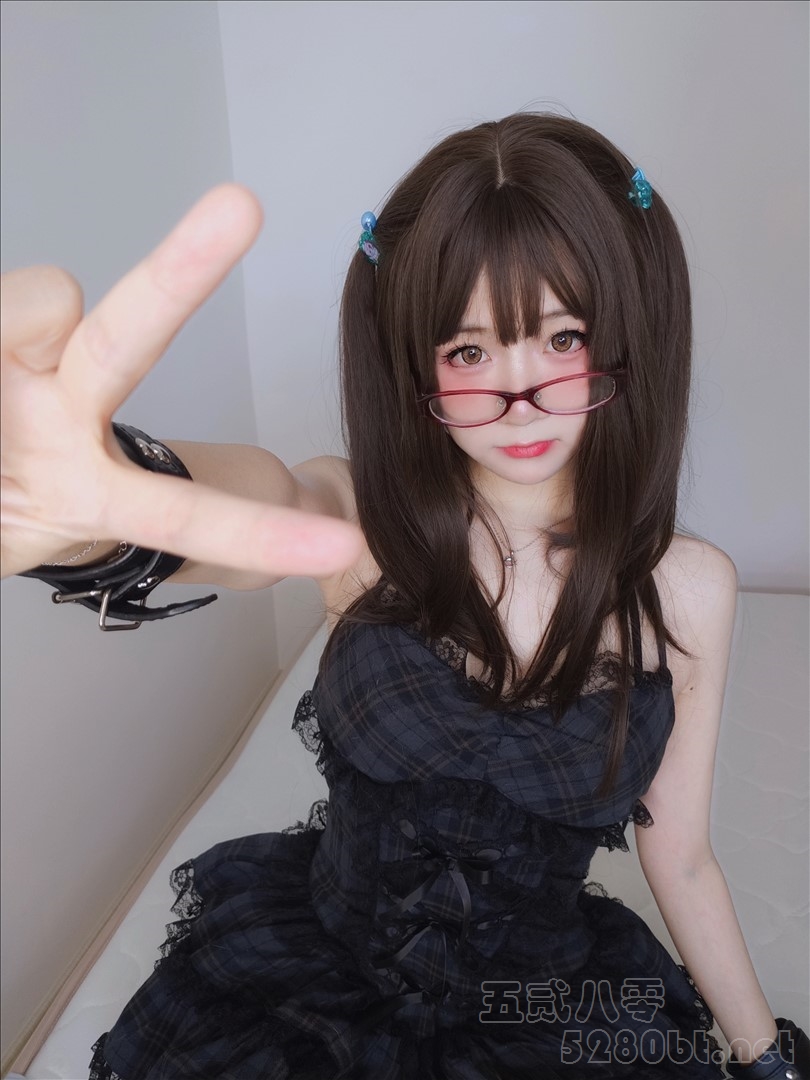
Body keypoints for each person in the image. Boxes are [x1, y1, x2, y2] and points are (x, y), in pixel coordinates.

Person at [2, 114, 807, 1080]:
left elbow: (682, 859)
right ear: (413, 361)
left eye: (563, 336)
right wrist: (89, 517)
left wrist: (766, 1060)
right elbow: (265, 509)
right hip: (305, 994)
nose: (518, 393)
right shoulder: (362, 524)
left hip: (543, 1008)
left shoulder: (688, 588)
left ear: (629, 336)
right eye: (467, 352)